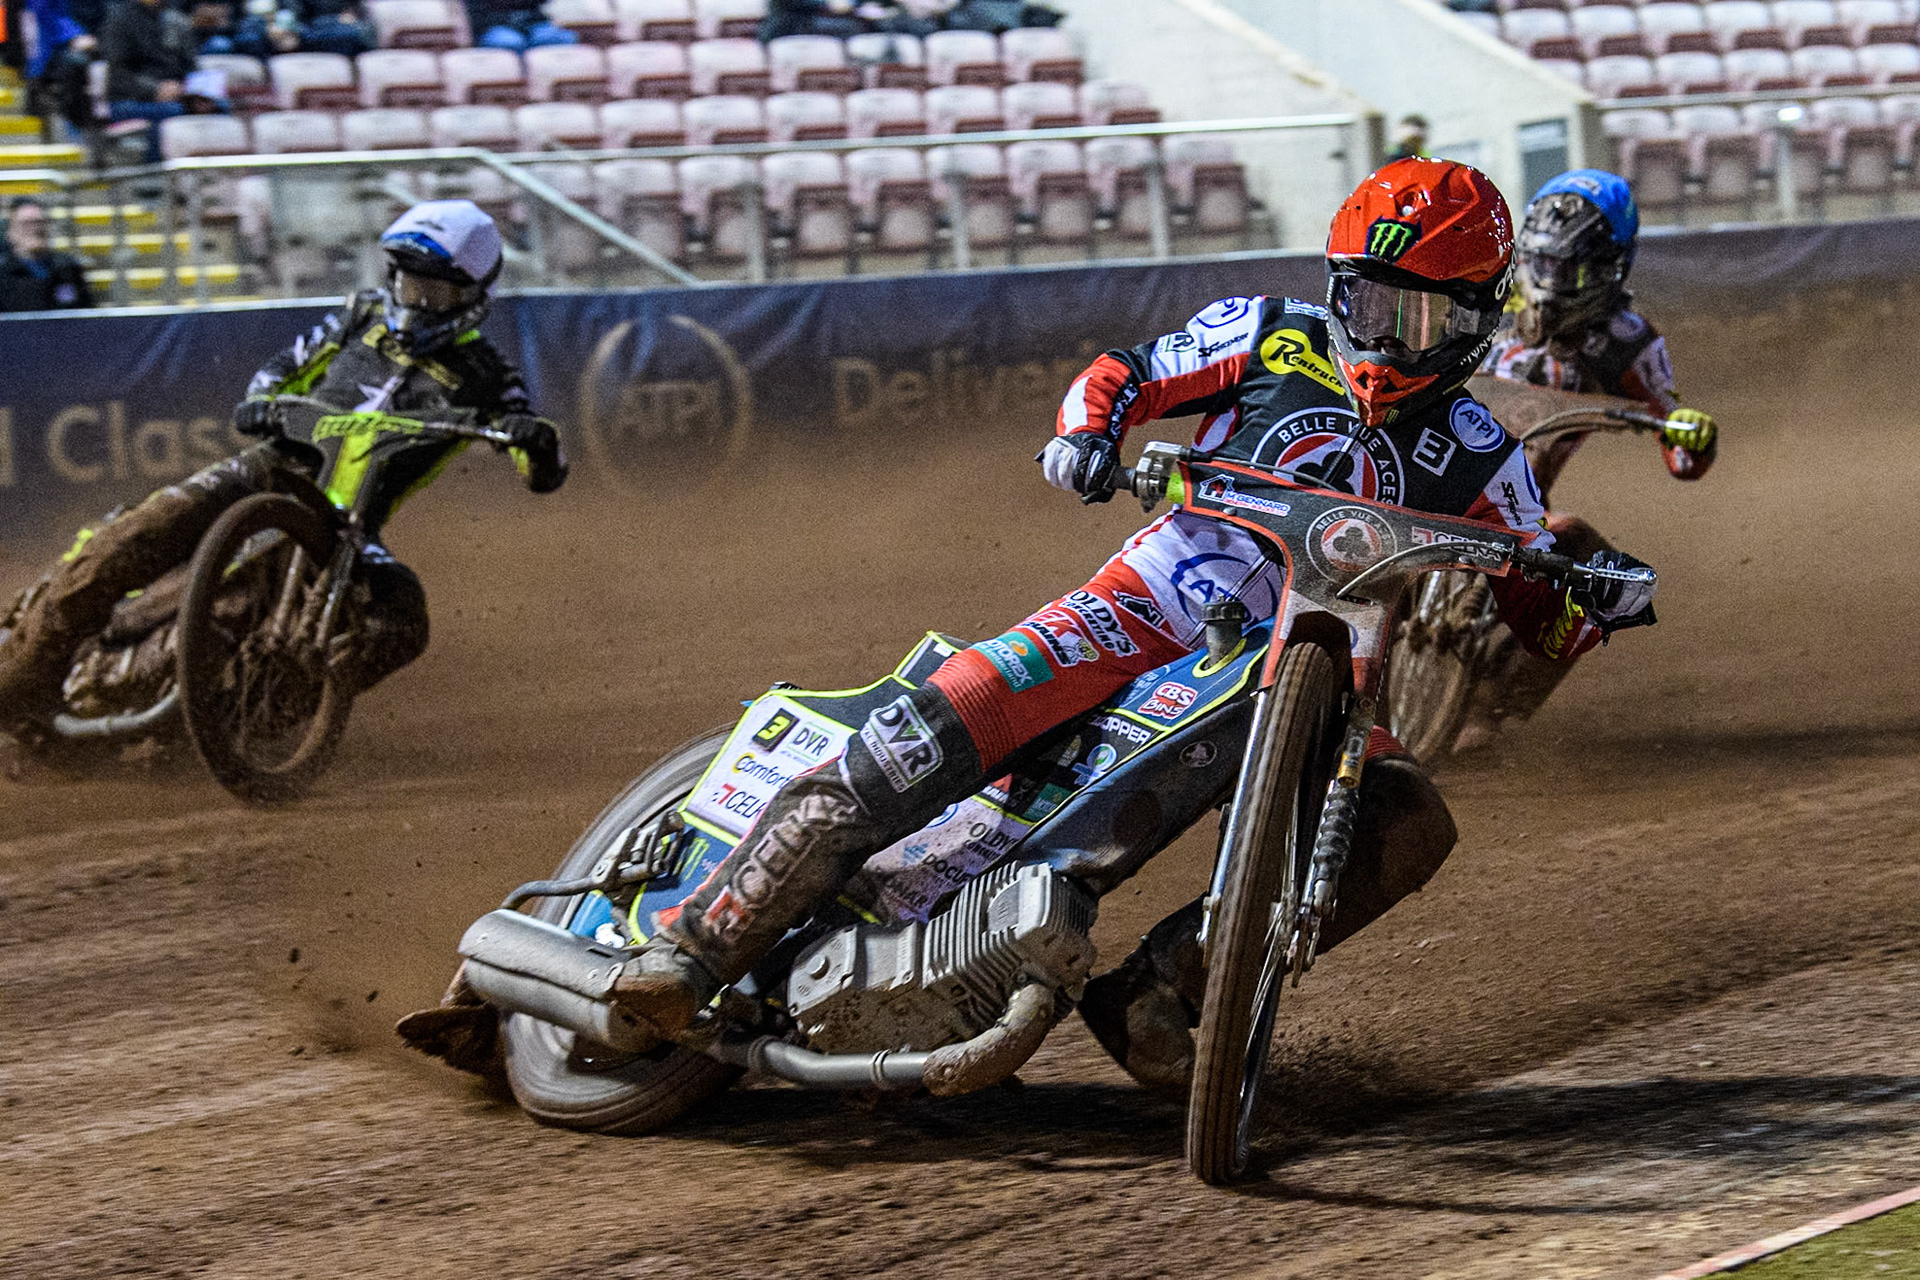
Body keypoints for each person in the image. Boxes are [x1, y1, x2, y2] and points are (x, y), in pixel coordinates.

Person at [407, 161, 1657, 1092]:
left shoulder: (1486, 452)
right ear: (1336, 291)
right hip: (1139, 608)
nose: (1388, 340)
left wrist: (1587, 606)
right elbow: (1127, 370)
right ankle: (691, 943)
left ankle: (1171, 992)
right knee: (927, 737)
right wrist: (1088, 434)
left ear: (1481, 318)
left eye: (1423, 320)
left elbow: (1532, 601)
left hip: (1320, 681)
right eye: (1369, 308)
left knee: (1410, 818)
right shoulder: (1268, 334)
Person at [0, 201, 567, 748]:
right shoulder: (359, 316)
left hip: (349, 525)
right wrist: (262, 398)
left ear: (471, 297)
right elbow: (286, 366)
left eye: (434, 290)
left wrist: (535, 441)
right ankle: (21, 676)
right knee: (138, 535)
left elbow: (539, 469)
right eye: (408, 283)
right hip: (268, 470)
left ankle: (251, 721)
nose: (416, 301)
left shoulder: (490, 374)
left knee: (401, 620)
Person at [1469, 167, 1715, 743]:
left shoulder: (1629, 341)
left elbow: (1678, 449)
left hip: (1522, 505)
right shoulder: (1480, 294)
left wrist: (1690, 436)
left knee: (1606, 578)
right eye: (1542, 263)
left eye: (1567, 267)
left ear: (1608, 268)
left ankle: (1496, 714)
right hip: (1422, 473)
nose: (1549, 281)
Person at [100, 0, 198, 162]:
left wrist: (197, 92)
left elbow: (192, 66)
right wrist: (155, 89)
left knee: (219, 108)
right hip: (130, 100)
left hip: (178, 95)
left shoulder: (176, 18)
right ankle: (156, 178)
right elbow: (119, 74)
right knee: (172, 111)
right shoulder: (118, 19)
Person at [0, 197, 96, 312]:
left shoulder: (68, 268)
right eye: (26, 223)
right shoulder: (3, 273)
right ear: (10, 231)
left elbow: (86, 313)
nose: (35, 229)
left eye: (39, 222)